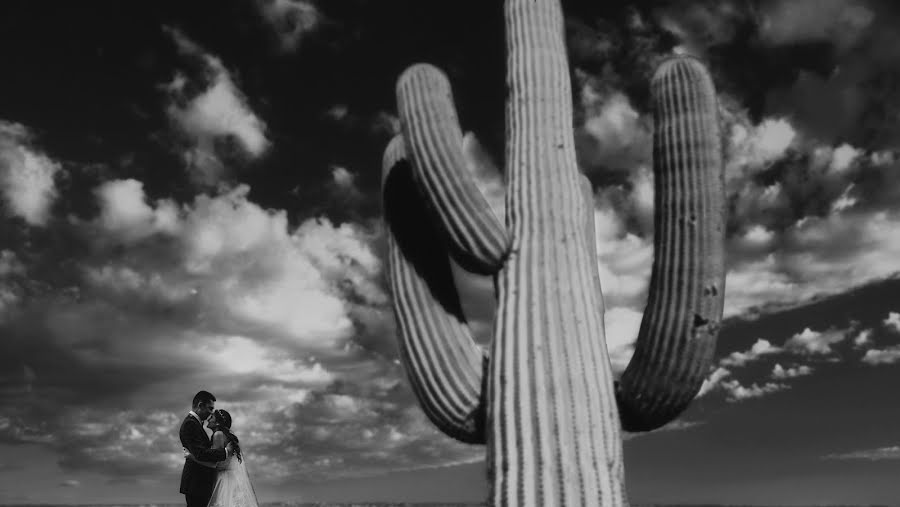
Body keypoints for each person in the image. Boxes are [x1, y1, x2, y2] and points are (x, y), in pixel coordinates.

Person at [185, 409, 260, 507]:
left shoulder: (218, 435)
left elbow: (214, 464)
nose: (208, 419)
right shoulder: (223, 435)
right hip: (230, 479)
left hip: (224, 481)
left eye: (212, 417)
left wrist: (192, 456)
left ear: (217, 423)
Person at [179, 391, 235, 507]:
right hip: (196, 484)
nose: (210, 413)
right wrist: (225, 452)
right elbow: (201, 453)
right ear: (200, 405)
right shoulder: (190, 424)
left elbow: (200, 454)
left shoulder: (196, 424)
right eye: (210, 408)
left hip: (198, 484)